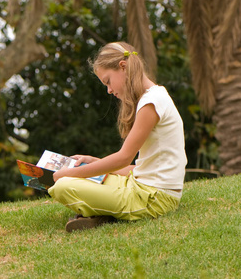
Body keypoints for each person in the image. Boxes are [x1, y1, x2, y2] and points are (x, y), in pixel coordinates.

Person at [49, 41, 187, 232]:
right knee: (86, 179)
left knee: (63, 186)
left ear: (123, 67)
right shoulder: (153, 97)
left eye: (108, 81)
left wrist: (69, 173)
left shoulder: (151, 103)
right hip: (142, 187)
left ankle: (101, 211)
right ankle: (101, 210)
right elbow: (140, 167)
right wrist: (93, 162)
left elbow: (124, 157)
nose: (109, 90)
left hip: (155, 199)